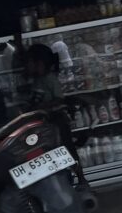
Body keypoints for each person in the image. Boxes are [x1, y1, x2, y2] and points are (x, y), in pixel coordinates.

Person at [24, 44, 91, 190]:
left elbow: (59, 99)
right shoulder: (37, 80)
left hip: (57, 121)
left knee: (68, 149)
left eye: (29, 62)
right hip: (45, 123)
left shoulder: (50, 79)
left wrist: (42, 106)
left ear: (39, 63)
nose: (27, 66)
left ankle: (81, 179)